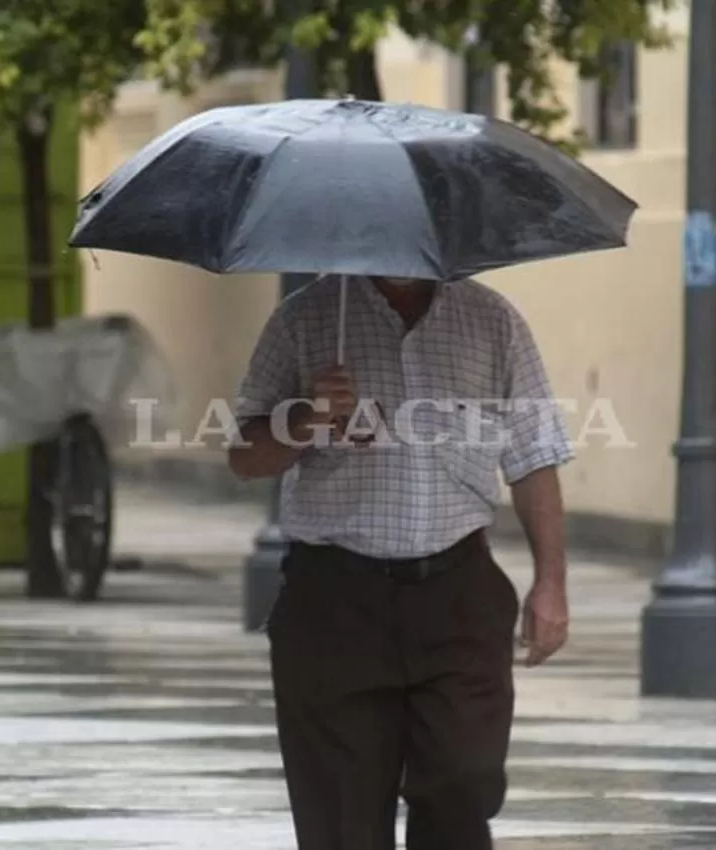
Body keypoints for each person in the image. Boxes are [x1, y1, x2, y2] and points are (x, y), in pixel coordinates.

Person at [228, 273, 574, 850]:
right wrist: (306, 418)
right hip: (335, 600)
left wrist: (551, 584)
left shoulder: (493, 320)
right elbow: (244, 456)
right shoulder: (305, 318)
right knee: (343, 818)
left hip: (458, 591)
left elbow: (535, 457)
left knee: (464, 784)